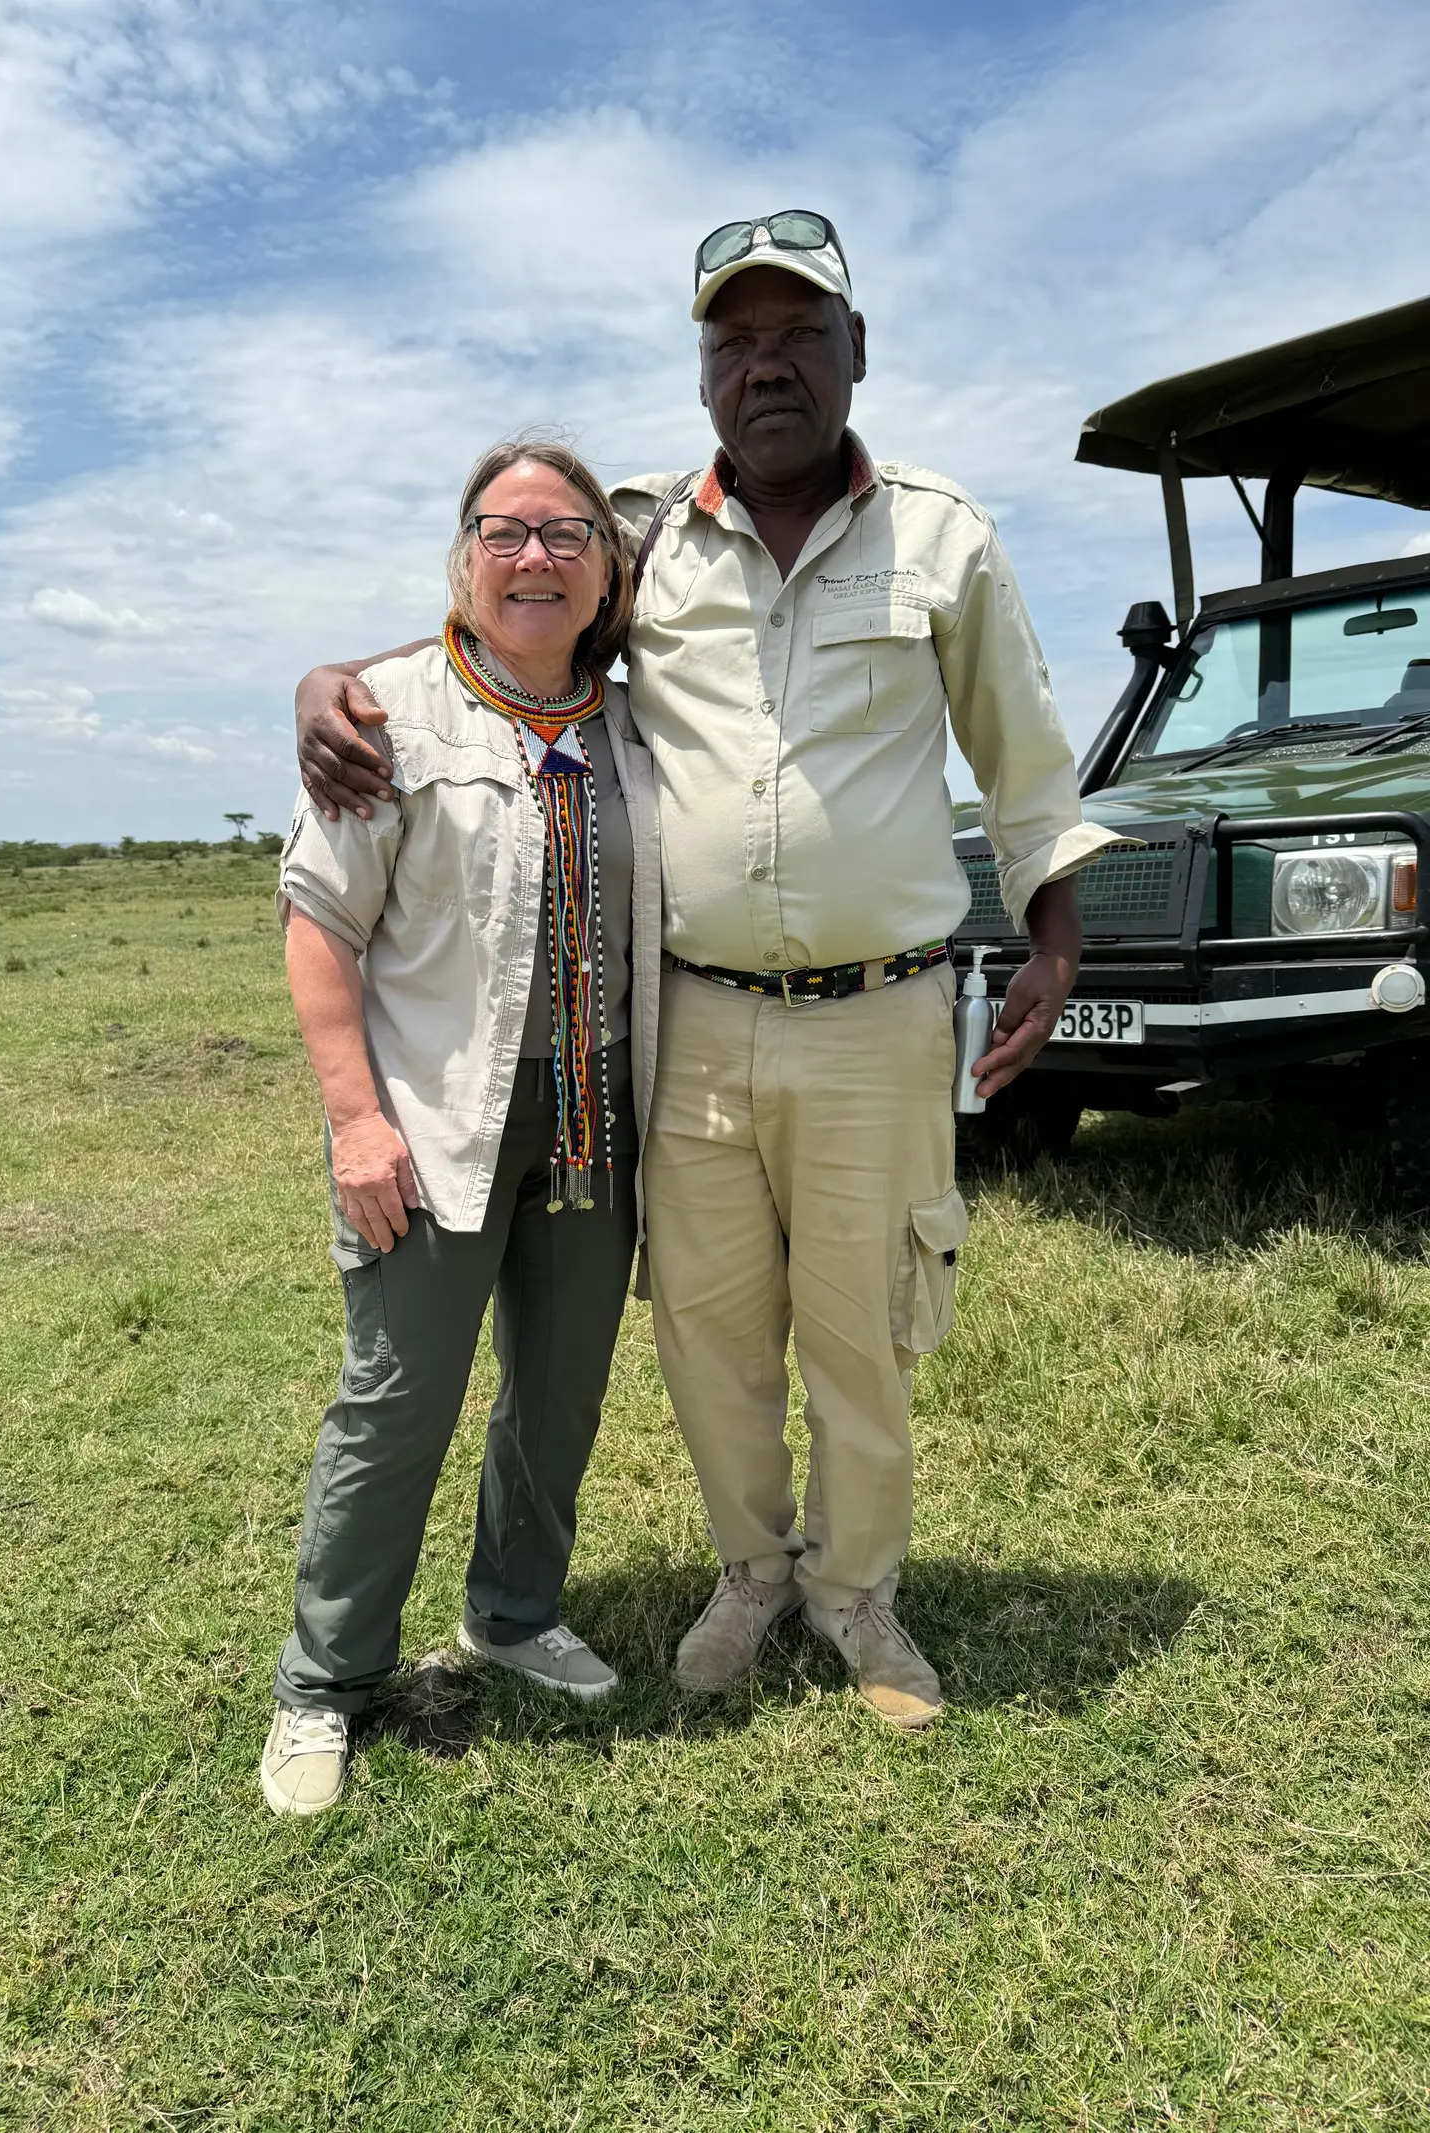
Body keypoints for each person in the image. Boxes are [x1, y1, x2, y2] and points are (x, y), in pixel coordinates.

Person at [293, 214, 1122, 1732]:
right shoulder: (646, 537)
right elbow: (507, 630)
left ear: (855, 352)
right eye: (735, 343)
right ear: (701, 376)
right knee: (712, 1329)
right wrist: (329, 685)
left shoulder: (947, 538)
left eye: (800, 334)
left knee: (862, 1327)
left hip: (879, 1015)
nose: (770, 366)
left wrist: (1054, 938)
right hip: (686, 1023)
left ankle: (858, 1596)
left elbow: (1025, 762)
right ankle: (751, 1573)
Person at [261, 440, 660, 1816]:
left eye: (567, 535)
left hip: (597, 1109)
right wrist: (355, 1121)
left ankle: (512, 1609)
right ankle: (326, 1681)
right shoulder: (388, 717)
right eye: (506, 532)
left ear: (610, 569)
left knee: (557, 1395)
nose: (536, 556)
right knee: (398, 1402)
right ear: (465, 557)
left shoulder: (636, 722)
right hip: (435, 1120)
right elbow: (320, 927)